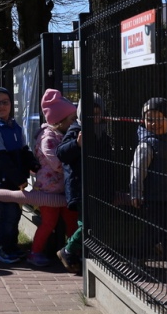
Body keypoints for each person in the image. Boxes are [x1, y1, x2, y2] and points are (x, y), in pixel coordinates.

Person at [56, 94, 112, 274]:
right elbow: (61, 154)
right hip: (80, 186)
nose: (94, 118)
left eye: (97, 113)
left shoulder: (101, 132)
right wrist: (76, 144)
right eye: (90, 114)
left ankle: (81, 255)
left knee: (94, 223)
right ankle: (68, 250)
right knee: (86, 224)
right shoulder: (75, 130)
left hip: (98, 186)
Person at [129, 97, 167, 277]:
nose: (152, 123)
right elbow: (137, 171)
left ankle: (136, 259)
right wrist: (136, 192)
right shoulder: (147, 144)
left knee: (152, 232)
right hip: (153, 197)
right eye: (148, 118)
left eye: (157, 118)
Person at [0, 86, 38, 264]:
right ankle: (2, 248)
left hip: (15, 182)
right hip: (1, 182)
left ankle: (12, 246)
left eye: (5, 102)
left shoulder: (15, 127)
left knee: (14, 214)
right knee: (3, 215)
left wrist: (34, 164)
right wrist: (19, 179)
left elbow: (23, 150)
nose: (1, 106)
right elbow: (0, 158)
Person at [27, 89, 78, 267]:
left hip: (63, 188)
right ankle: (35, 252)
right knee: (49, 223)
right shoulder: (48, 138)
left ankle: (73, 252)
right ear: (59, 120)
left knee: (72, 221)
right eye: (72, 119)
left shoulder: (62, 135)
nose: (74, 123)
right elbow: (57, 163)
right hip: (49, 189)